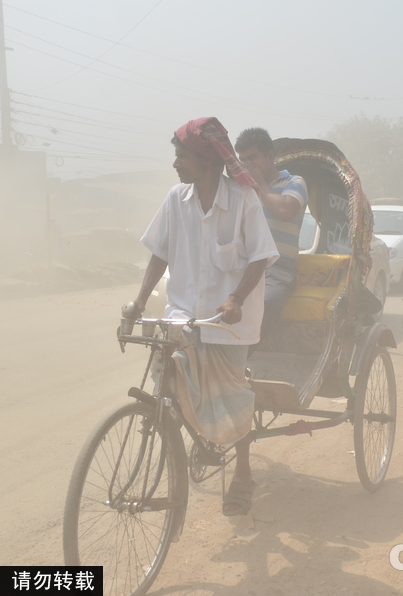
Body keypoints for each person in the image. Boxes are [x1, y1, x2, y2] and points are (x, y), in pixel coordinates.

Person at [130, 117, 279, 517]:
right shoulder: (175, 199)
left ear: (208, 160)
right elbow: (159, 252)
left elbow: (261, 256)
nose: (176, 163)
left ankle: (243, 472)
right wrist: (139, 303)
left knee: (231, 399)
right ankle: (196, 443)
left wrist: (235, 298)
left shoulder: (243, 199)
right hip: (182, 315)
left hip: (229, 323)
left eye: (182, 155)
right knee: (170, 381)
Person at [234, 128, 308, 352]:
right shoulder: (240, 189)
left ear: (270, 156)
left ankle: (245, 361)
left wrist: (261, 186)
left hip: (278, 269)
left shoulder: (294, 182)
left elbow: (285, 210)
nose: (248, 165)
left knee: (264, 304)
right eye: (243, 160)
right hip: (244, 266)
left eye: (253, 158)